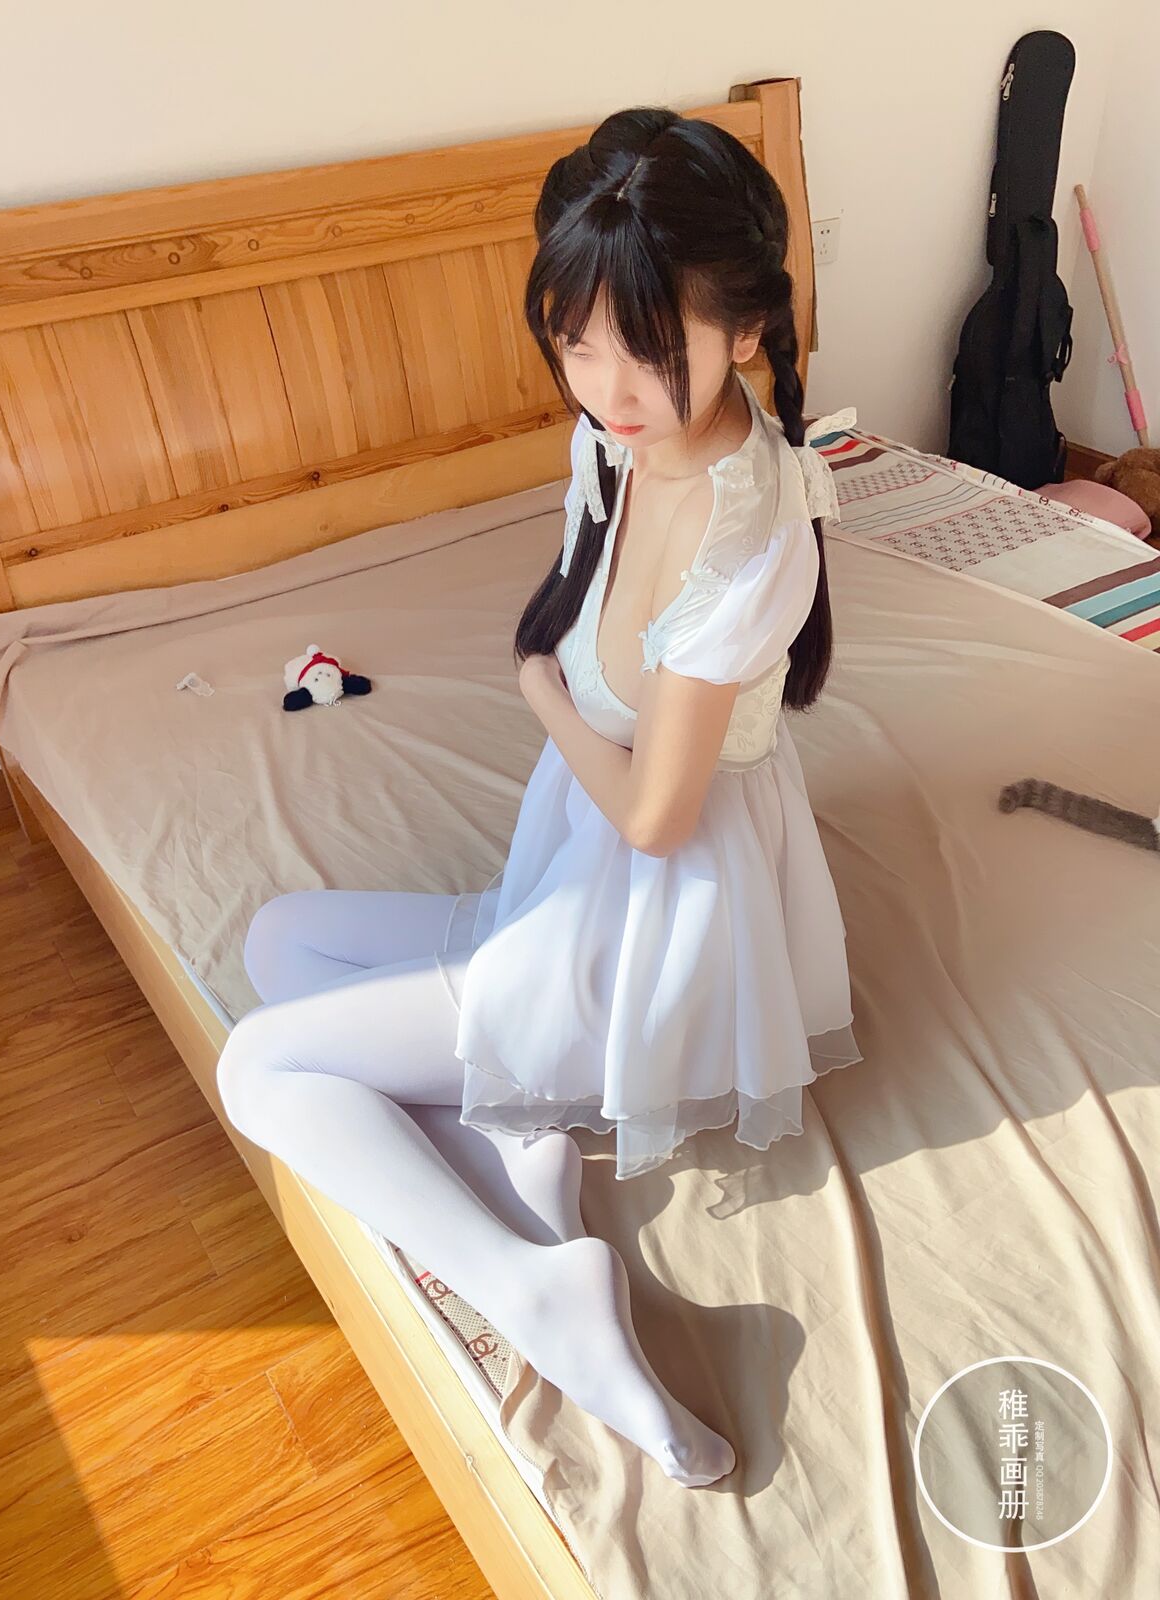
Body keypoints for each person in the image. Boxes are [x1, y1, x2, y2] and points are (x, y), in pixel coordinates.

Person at [217, 106, 862, 1490]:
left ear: (747, 328)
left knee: (260, 1066)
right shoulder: (621, 441)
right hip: (576, 878)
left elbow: (658, 820)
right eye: (577, 342)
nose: (607, 386)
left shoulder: (751, 538)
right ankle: (527, 1152)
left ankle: (532, 1287)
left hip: (652, 931)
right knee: (279, 940)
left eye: (648, 346)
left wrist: (543, 696)